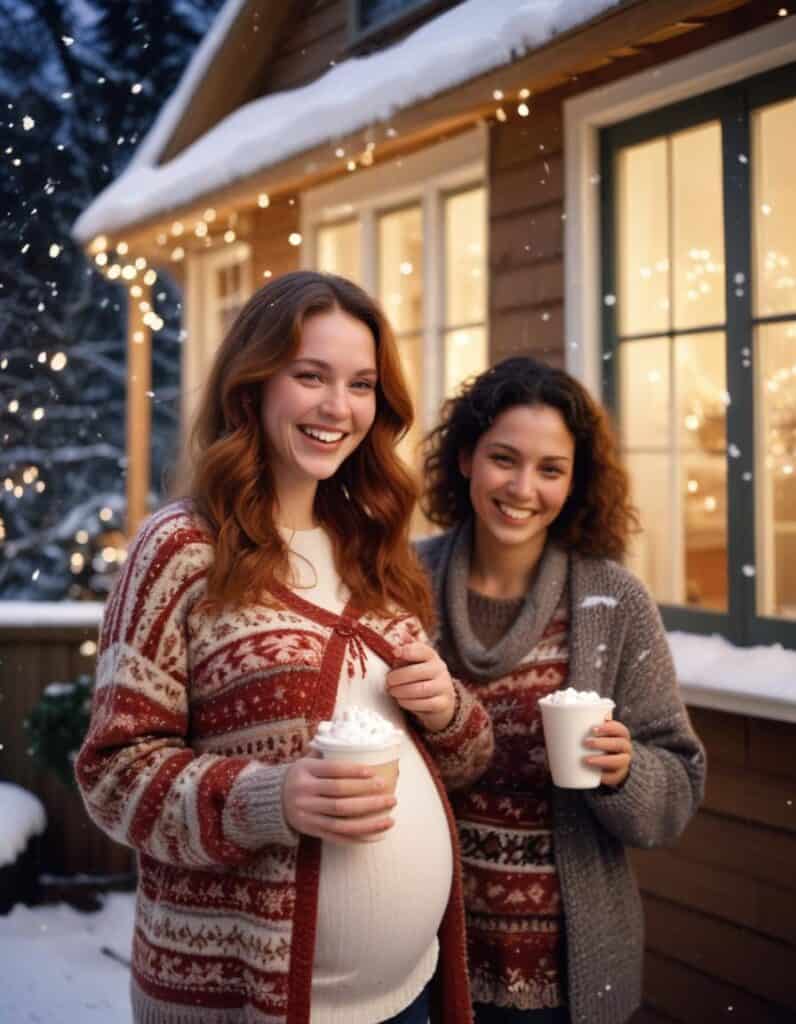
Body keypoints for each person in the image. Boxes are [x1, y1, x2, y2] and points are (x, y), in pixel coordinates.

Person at [76, 271, 494, 1024]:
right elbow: (113, 775)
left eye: (361, 383)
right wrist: (269, 799)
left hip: (409, 994)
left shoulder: (377, 551)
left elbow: (461, 761)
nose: (340, 407)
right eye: (312, 376)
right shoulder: (180, 550)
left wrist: (449, 710)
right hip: (247, 999)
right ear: (254, 387)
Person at [415, 356, 706, 1024]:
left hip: (565, 979)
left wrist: (624, 773)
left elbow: (678, 786)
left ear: (576, 483)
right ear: (465, 458)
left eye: (551, 469)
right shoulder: (403, 583)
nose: (523, 487)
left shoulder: (614, 602)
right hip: (419, 960)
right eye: (504, 459)